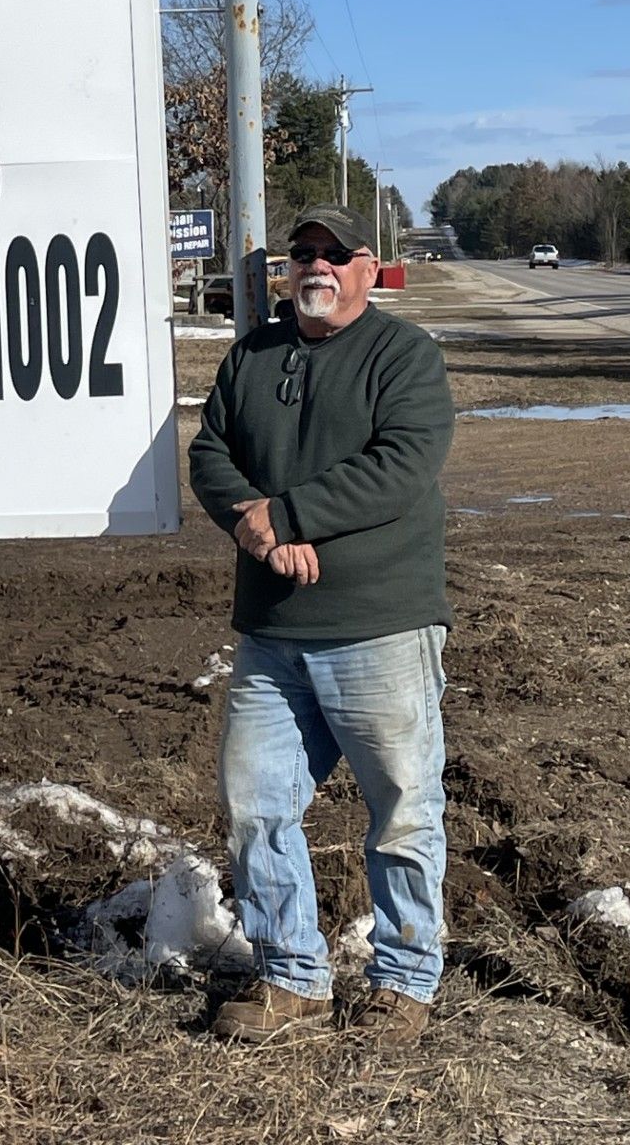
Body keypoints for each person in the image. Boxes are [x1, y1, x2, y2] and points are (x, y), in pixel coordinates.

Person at [188, 204, 455, 1050]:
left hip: (379, 625)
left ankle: (404, 982)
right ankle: (292, 977)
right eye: (303, 253)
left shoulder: (403, 356)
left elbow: (402, 467)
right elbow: (209, 455)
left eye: (334, 254)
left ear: (368, 268)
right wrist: (254, 528)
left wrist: (291, 516)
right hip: (272, 631)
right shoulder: (253, 355)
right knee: (256, 804)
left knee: (402, 811)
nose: (316, 266)